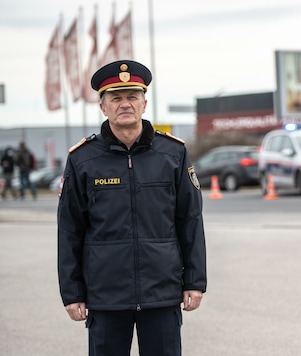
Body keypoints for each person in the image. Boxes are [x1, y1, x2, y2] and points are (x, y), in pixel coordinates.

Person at [57, 60, 207, 356]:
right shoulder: (82, 160)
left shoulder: (173, 154)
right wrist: (73, 292)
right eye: (116, 98)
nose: (125, 104)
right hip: (106, 294)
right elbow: (70, 229)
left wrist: (194, 280)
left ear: (144, 103)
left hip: (161, 292)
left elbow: (190, 220)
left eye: (132, 97)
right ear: (103, 107)